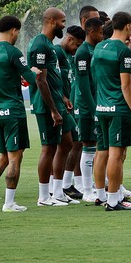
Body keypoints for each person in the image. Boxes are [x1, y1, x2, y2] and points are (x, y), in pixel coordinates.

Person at [0, 15, 38, 212]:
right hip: (13, 111)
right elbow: (31, 78)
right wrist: (34, 71)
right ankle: (9, 203)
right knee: (14, 157)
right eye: (18, 31)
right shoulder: (13, 52)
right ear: (14, 30)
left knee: (2, 155)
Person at [91, 11, 131, 211]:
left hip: (101, 107)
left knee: (101, 152)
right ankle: (113, 201)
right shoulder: (123, 51)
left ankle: (101, 195)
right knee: (116, 153)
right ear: (128, 26)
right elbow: (126, 85)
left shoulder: (99, 47)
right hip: (118, 108)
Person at [27, 7, 75, 207]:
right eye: (62, 21)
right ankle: (44, 197)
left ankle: (58, 192)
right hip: (46, 105)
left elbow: (52, 77)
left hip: (57, 101)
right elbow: (41, 80)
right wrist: (53, 109)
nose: (64, 25)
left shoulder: (48, 44)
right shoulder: (39, 44)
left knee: (67, 143)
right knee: (48, 148)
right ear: (53, 21)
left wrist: (62, 97)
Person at [72, 17, 104, 202]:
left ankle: (94, 186)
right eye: (100, 32)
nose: (102, 35)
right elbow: (83, 85)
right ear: (91, 32)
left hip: (95, 103)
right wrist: (94, 110)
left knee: (97, 146)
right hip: (86, 107)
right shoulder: (83, 52)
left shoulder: (95, 49)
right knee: (88, 145)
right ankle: (87, 190)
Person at [56, 25, 85, 200]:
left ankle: (64, 185)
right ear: (69, 39)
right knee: (63, 145)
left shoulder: (67, 55)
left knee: (73, 142)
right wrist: (63, 97)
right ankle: (58, 187)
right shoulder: (57, 52)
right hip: (59, 106)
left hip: (67, 105)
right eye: (77, 45)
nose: (77, 50)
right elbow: (50, 78)